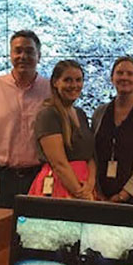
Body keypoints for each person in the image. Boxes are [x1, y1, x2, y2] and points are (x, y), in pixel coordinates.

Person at [0, 30, 51, 208]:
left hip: (38, 177)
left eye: (29, 51)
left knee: (35, 233)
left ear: (39, 55)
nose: (23, 56)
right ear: (10, 54)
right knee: (0, 231)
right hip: (0, 178)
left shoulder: (50, 91)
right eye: (18, 51)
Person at [92, 56, 133, 205]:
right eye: (120, 73)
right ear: (112, 78)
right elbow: (93, 155)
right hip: (101, 198)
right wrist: (96, 190)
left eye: (130, 74)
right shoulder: (100, 112)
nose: (124, 77)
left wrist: (124, 194)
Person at [34, 60, 96, 199]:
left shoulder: (81, 114)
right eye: (67, 80)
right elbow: (59, 164)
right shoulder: (48, 115)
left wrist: (90, 185)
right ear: (55, 82)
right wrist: (80, 193)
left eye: (78, 80)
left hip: (85, 187)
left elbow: (90, 155)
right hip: (61, 186)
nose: (74, 85)